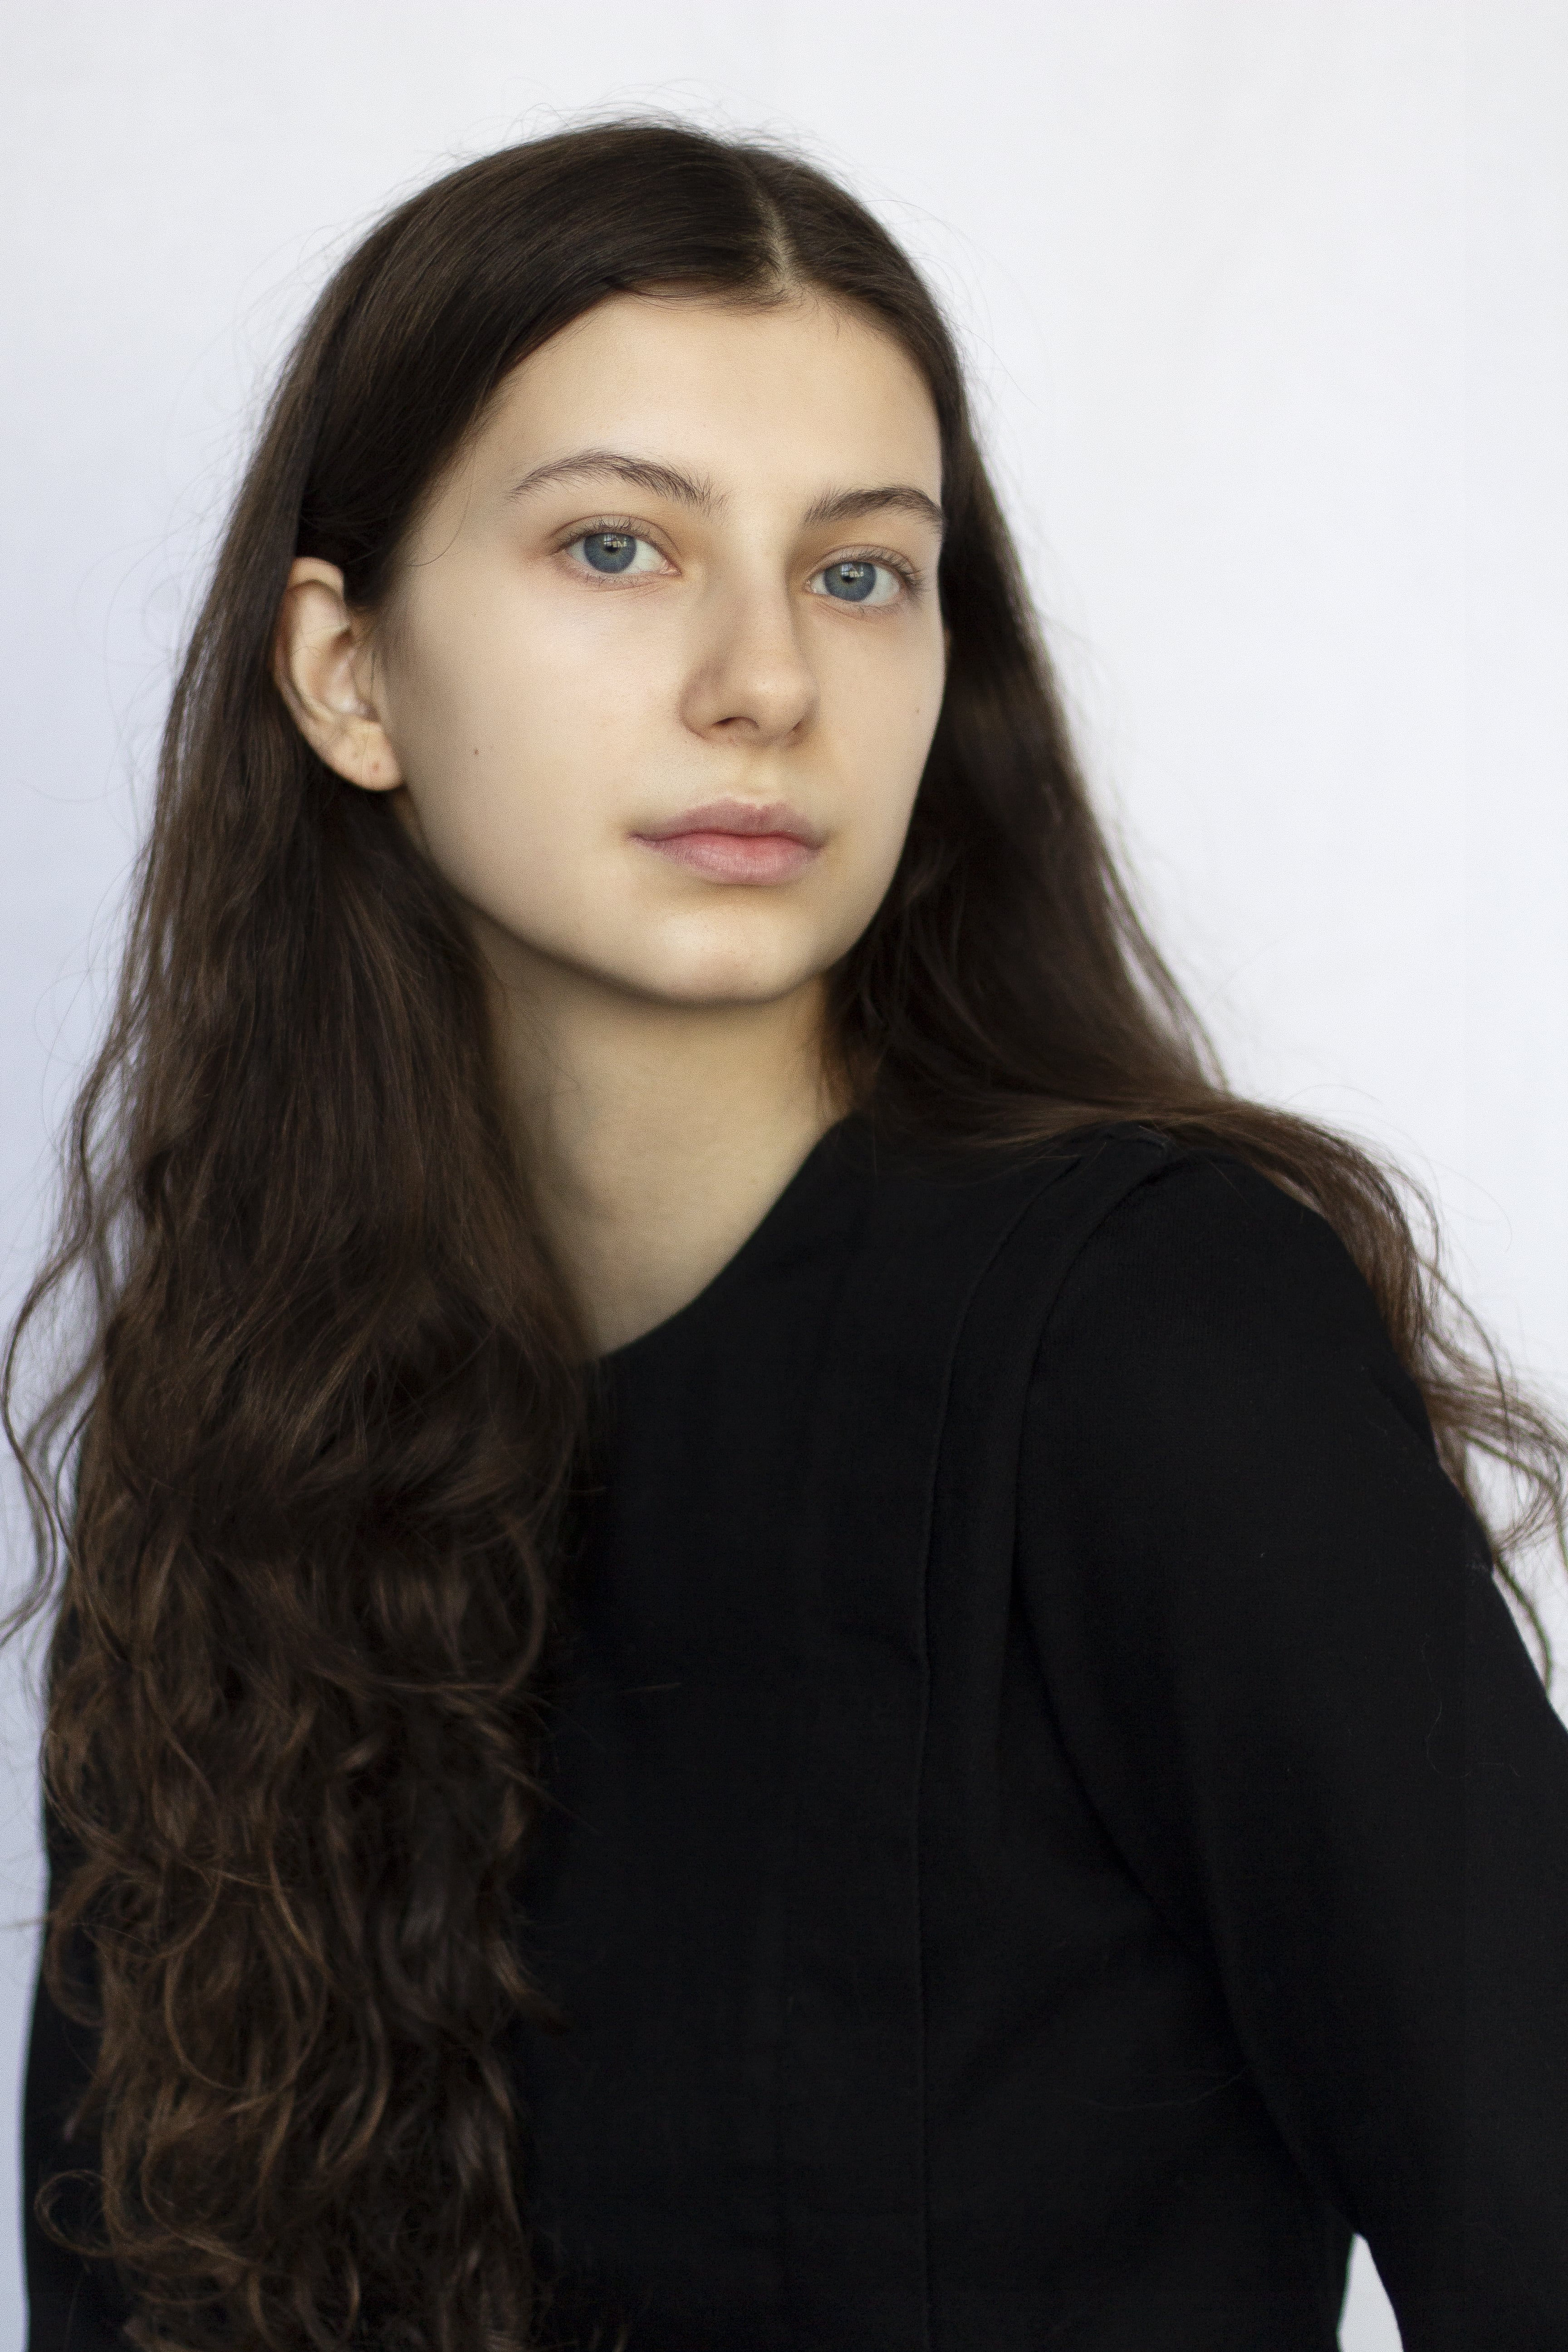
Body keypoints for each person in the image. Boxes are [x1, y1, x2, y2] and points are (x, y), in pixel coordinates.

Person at [8, 120, 1566, 2352]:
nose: (766, 679)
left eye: (860, 573)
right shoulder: (238, 1417)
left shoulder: (1156, 1340)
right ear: (347, 674)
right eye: (618, 545)